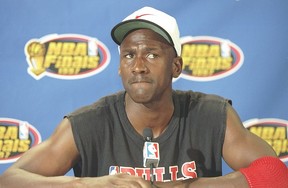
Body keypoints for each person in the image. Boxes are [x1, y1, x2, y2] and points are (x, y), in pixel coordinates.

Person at [1, 6, 287, 188]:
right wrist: (92, 185)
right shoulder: (88, 123)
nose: (138, 65)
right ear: (119, 66)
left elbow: (275, 174)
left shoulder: (210, 115)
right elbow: (11, 179)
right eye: (129, 55)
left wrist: (191, 187)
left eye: (151, 54)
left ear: (176, 66)